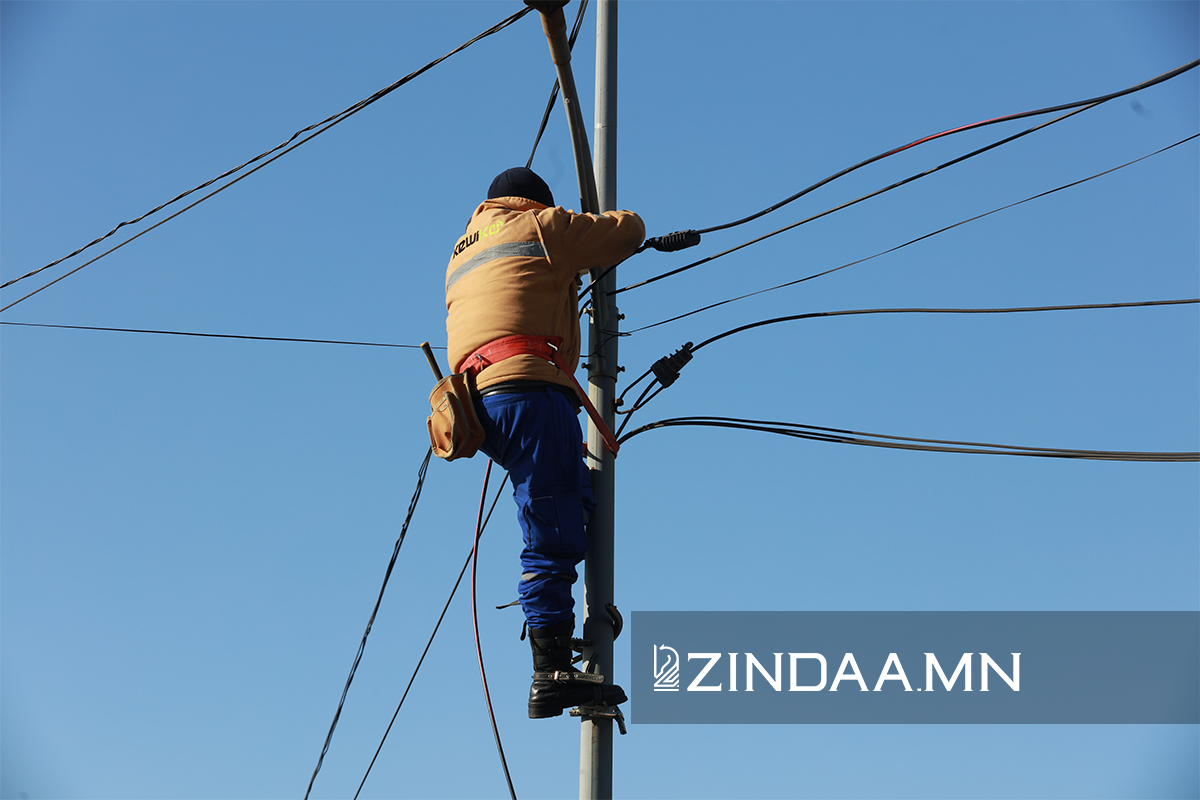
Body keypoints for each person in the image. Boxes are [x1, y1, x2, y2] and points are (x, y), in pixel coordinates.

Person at [444, 167, 644, 718]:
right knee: (552, 528)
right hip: (530, 390)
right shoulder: (543, 225)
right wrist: (587, 222)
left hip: (480, 404)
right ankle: (549, 669)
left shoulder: (462, 250)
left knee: (569, 501)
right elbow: (629, 230)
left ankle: (560, 633)